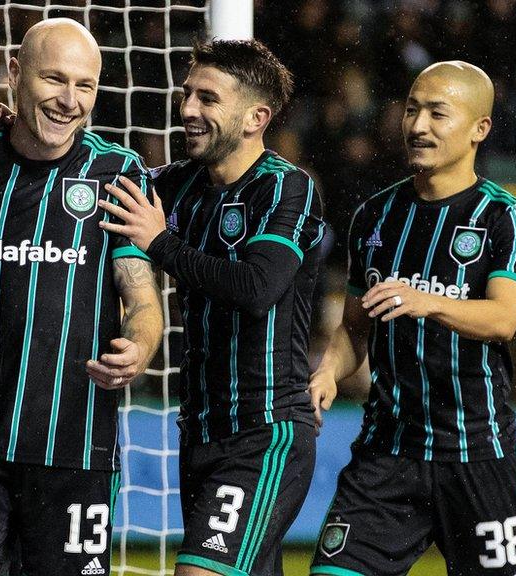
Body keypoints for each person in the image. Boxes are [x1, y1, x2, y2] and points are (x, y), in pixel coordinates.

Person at [0, 18, 164, 576]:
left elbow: (140, 296)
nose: (70, 101)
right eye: (54, 80)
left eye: (85, 86)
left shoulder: (117, 174)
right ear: (15, 74)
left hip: (73, 446)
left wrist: (139, 348)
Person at [308, 61, 516, 576]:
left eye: (438, 113)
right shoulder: (375, 216)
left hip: (478, 455)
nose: (418, 126)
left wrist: (427, 301)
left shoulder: (506, 218)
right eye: (412, 110)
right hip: (386, 455)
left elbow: (504, 319)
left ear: (480, 128)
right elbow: (354, 328)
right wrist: (327, 372)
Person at [100, 40, 323, 576]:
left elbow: (256, 287)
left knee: (199, 571)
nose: (188, 110)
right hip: (199, 431)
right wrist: (11, 138)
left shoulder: (286, 187)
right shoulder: (175, 186)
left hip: (266, 429)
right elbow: (92, 186)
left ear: (255, 117)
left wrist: (163, 246)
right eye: (187, 94)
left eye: (208, 98)